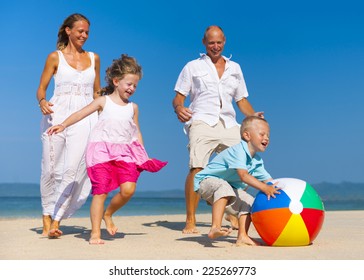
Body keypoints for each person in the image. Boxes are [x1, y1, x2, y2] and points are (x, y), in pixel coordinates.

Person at [48, 54, 168, 244]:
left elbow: (137, 132)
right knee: (100, 191)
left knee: (128, 189)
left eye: (135, 86)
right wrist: (63, 125)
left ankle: (108, 214)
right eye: (129, 84)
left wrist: (142, 154)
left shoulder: (133, 108)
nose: (132, 88)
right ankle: (95, 233)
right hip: (101, 152)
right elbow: (80, 114)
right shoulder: (103, 101)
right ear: (116, 81)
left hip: (125, 153)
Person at [173, 25, 264, 234]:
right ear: (204, 43)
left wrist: (252, 118)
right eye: (211, 42)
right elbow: (179, 96)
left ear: (224, 42)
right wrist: (179, 108)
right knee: (197, 168)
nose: (215, 46)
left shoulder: (235, 68)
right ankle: (191, 219)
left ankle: (231, 210)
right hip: (202, 121)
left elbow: (241, 100)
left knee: (242, 168)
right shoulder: (192, 67)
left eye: (219, 42)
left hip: (230, 124)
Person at [36, 13, 101, 238]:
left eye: (87, 32)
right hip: (56, 116)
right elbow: (41, 89)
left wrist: (107, 113)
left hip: (85, 118)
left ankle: (56, 220)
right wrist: (43, 102)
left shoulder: (94, 58)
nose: (84, 35)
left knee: (73, 170)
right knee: (50, 169)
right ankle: (46, 216)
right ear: (68, 31)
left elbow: (96, 92)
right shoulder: (55, 57)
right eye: (80, 31)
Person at [194, 116, 280, 245]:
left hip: (228, 188)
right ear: (247, 135)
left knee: (250, 202)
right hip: (206, 181)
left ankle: (243, 236)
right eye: (262, 134)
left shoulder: (257, 161)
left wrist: (283, 191)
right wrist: (265, 188)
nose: (266, 138)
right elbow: (243, 176)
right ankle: (215, 227)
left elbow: (271, 182)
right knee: (224, 187)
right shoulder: (238, 151)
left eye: (268, 135)